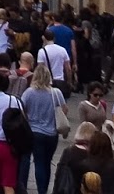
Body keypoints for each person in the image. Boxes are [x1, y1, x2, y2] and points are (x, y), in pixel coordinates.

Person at [20, 65, 65, 194]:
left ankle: (41, 191)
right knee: (47, 162)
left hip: (35, 131)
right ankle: (44, 188)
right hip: (52, 133)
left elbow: (22, 109)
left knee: (38, 162)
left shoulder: (29, 92)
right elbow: (64, 109)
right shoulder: (56, 92)